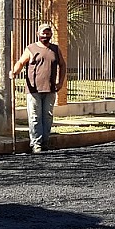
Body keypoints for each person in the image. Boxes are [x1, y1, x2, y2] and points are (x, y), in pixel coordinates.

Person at [10, 23, 67, 154]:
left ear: (51, 34)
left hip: (50, 89)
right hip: (34, 89)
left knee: (47, 116)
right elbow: (20, 62)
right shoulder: (31, 48)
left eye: (48, 33)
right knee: (35, 116)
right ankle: (36, 144)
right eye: (43, 33)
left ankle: (45, 142)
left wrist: (60, 83)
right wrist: (14, 72)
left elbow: (62, 65)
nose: (45, 35)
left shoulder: (55, 49)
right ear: (38, 34)